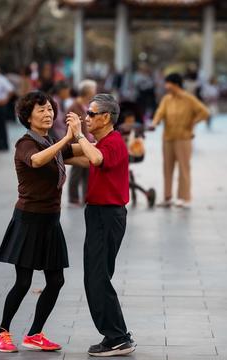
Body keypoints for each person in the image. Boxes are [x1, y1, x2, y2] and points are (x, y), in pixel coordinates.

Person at [0, 91, 82, 353]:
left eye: (50, 109)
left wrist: (104, 145)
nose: (48, 113)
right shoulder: (26, 144)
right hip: (28, 221)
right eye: (41, 110)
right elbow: (36, 160)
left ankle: (34, 334)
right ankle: (2, 331)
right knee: (23, 282)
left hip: (51, 222)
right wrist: (67, 138)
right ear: (27, 117)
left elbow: (83, 154)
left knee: (56, 281)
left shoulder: (50, 141)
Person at [66, 94, 137, 356]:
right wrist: (55, 150)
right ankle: (115, 336)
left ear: (106, 117)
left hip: (108, 216)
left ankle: (118, 337)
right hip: (98, 215)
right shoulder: (103, 142)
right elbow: (84, 157)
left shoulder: (114, 142)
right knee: (96, 277)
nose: (86, 118)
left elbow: (94, 159)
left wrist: (79, 135)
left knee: (98, 278)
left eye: (91, 114)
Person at [151, 73, 210, 208]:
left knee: (183, 167)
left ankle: (183, 197)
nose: (166, 86)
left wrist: (192, 123)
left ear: (175, 84)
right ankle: (167, 197)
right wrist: (155, 123)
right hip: (168, 138)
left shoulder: (189, 99)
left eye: (168, 83)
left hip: (183, 138)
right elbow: (159, 112)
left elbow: (204, 112)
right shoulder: (167, 99)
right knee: (167, 168)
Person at [66, 79, 97, 205]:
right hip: (77, 142)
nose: (95, 92)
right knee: (77, 170)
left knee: (88, 169)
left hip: (87, 141)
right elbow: (70, 125)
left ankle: (86, 195)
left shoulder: (87, 104)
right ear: (87, 92)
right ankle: (73, 197)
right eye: (93, 90)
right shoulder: (75, 106)